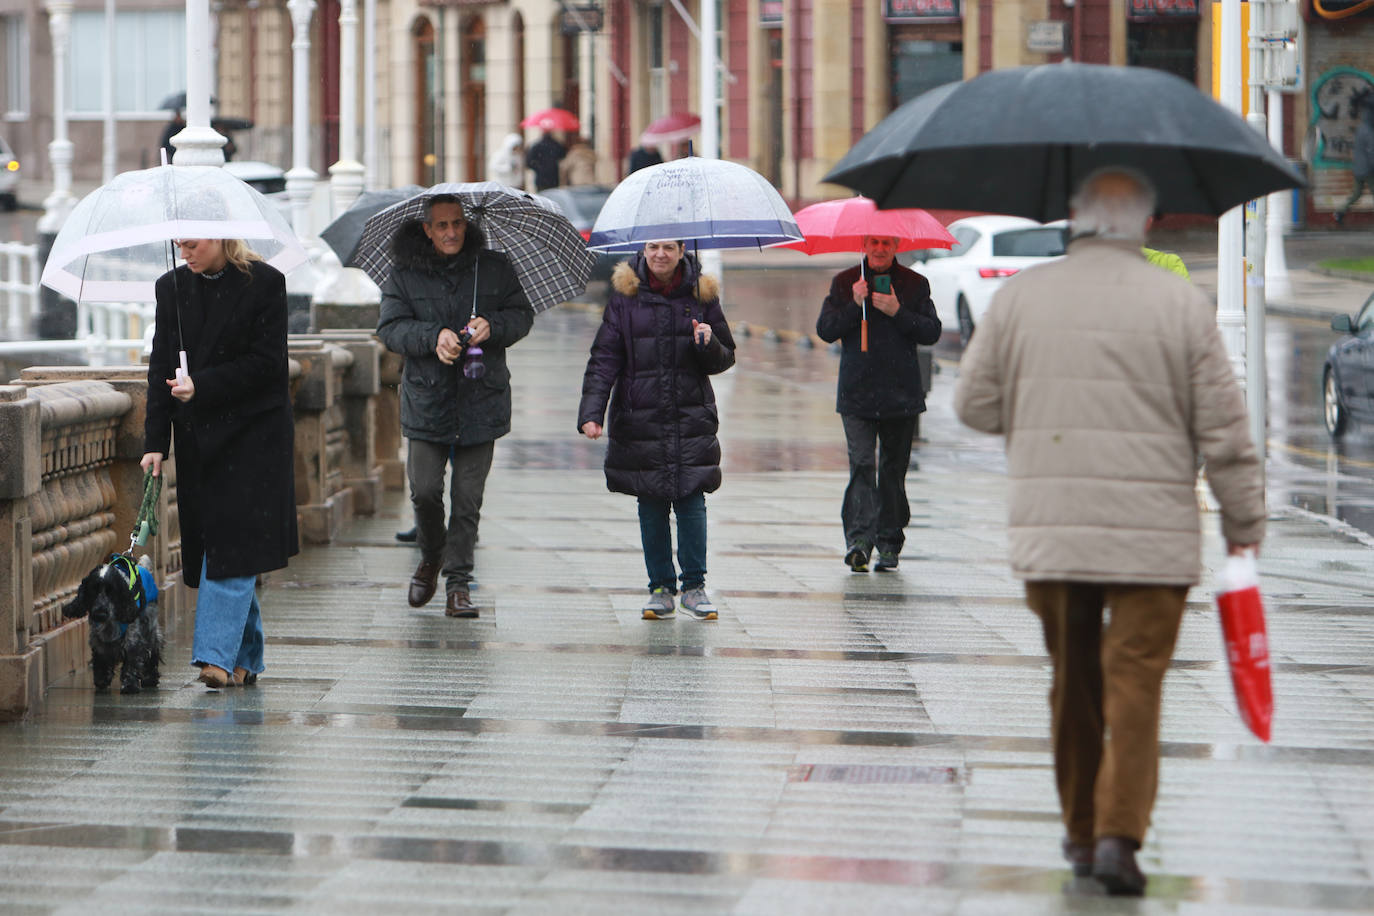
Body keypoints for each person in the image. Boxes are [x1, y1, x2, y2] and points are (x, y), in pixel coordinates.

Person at [953, 167, 1266, 896]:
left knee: (1075, 682)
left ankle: (1080, 831)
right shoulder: (1180, 305)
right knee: (1137, 685)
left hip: (1054, 534)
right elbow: (1225, 432)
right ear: (1146, 225)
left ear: (1075, 219)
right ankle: (1121, 839)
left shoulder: (1022, 297)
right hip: (1154, 539)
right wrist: (1244, 524)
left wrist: (1037, 417)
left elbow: (973, 406)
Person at [141, 237, 299, 689]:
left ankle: (214, 657)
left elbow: (269, 365)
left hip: (255, 437)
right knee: (224, 544)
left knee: (232, 542)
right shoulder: (170, 287)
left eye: (194, 244)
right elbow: (160, 367)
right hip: (199, 441)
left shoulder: (266, 283)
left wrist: (203, 386)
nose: (186, 252)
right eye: (180, 245)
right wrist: (155, 441)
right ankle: (246, 656)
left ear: (222, 236)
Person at [376, 195, 533, 617]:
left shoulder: (493, 267)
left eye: (458, 224)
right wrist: (434, 337)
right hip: (427, 400)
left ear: (468, 224)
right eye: (441, 225)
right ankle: (431, 556)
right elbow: (390, 329)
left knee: (467, 500)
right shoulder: (405, 273)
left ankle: (458, 585)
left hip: (482, 400)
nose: (451, 233)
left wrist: (492, 326)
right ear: (426, 229)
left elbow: (521, 316)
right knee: (425, 491)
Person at [577, 240, 735, 621]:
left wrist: (707, 343)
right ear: (643, 251)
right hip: (639, 415)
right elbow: (605, 358)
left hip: (689, 415)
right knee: (650, 503)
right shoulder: (624, 298)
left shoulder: (702, 295)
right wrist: (591, 412)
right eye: (653, 247)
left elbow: (725, 357)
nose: (660, 254)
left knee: (692, 499)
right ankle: (661, 588)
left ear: (682, 250)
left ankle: (694, 586)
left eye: (668, 247)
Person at [815, 235, 942, 573]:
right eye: (873, 242)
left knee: (892, 471)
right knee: (861, 465)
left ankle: (889, 542)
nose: (880, 249)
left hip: (901, 395)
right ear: (863, 245)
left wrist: (898, 311)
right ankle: (858, 541)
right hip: (856, 394)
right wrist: (854, 305)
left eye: (886, 243)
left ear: (897, 245)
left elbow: (931, 331)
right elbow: (826, 330)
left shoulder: (915, 283)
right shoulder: (846, 282)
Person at [1335, 88, 1374, 226]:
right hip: (1368, 170)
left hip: (1358, 169)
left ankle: (1340, 211)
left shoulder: (1361, 129)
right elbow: (1371, 152)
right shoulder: (1369, 131)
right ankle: (1340, 212)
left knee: (1356, 194)